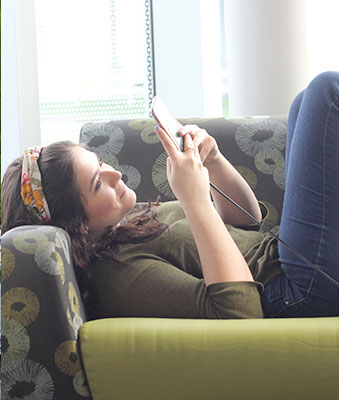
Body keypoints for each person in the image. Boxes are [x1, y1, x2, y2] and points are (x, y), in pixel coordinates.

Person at [2, 71, 338, 319]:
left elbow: (248, 220)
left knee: (304, 102)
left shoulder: (130, 222)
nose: (115, 174)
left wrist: (215, 163)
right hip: (296, 293)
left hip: (288, 259)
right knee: (325, 93)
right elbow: (241, 312)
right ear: (77, 225)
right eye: (97, 183)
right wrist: (195, 202)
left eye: (101, 163)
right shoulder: (119, 273)